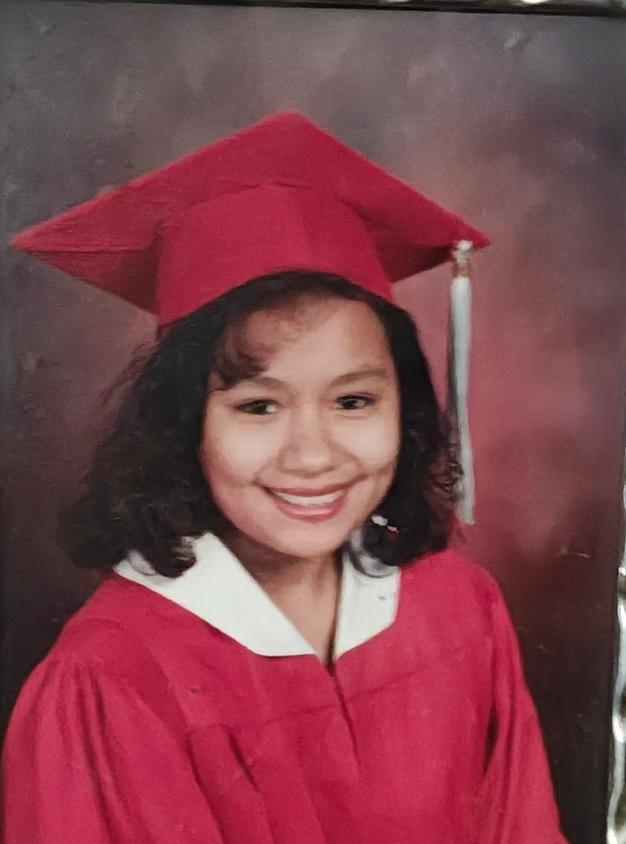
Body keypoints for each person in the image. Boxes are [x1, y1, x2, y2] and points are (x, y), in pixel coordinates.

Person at [2, 113, 566, 842]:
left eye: (354, 401)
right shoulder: (111, 678)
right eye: (258, 406)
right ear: (185, 425)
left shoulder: (460, 607)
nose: (312, 456)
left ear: (408, 410)